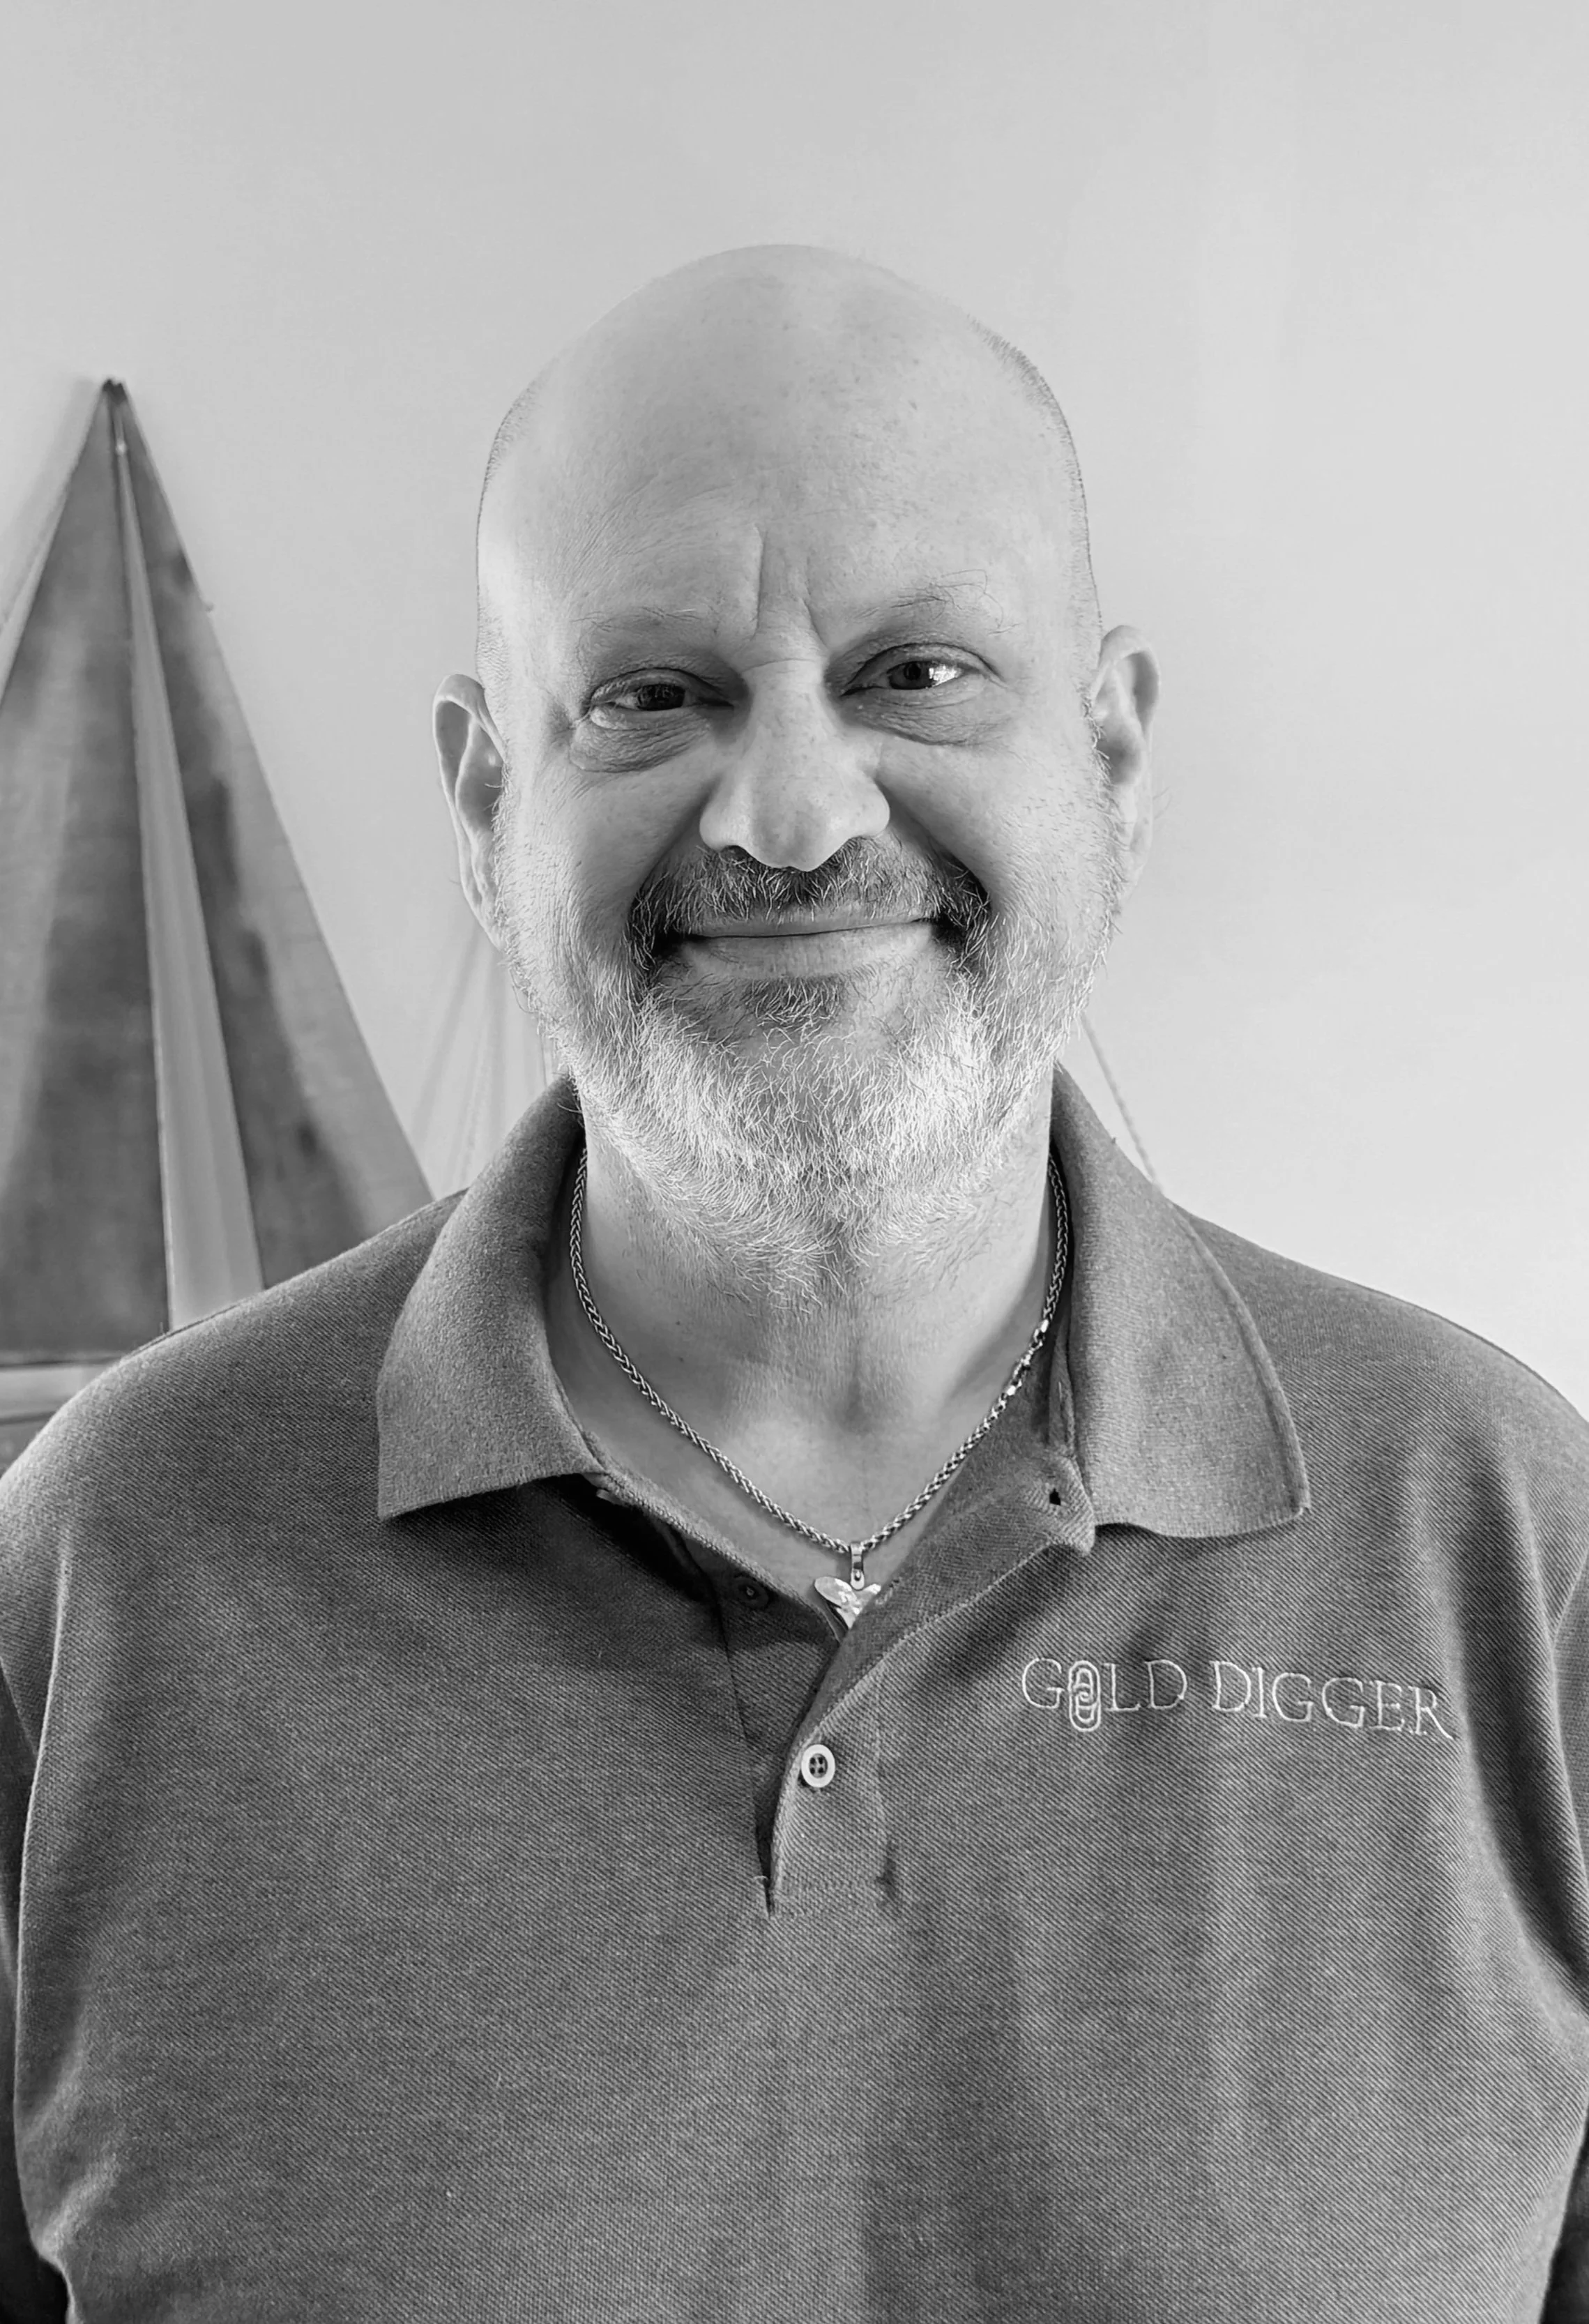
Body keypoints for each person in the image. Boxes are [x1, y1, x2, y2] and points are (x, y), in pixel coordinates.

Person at [1, 243, 1586, 2323]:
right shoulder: (103, 1569)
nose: (791, 813)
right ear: (488, 798)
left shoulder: (1504, 1545)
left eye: (916, 671)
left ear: (1111, 754)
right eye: (652, 693)